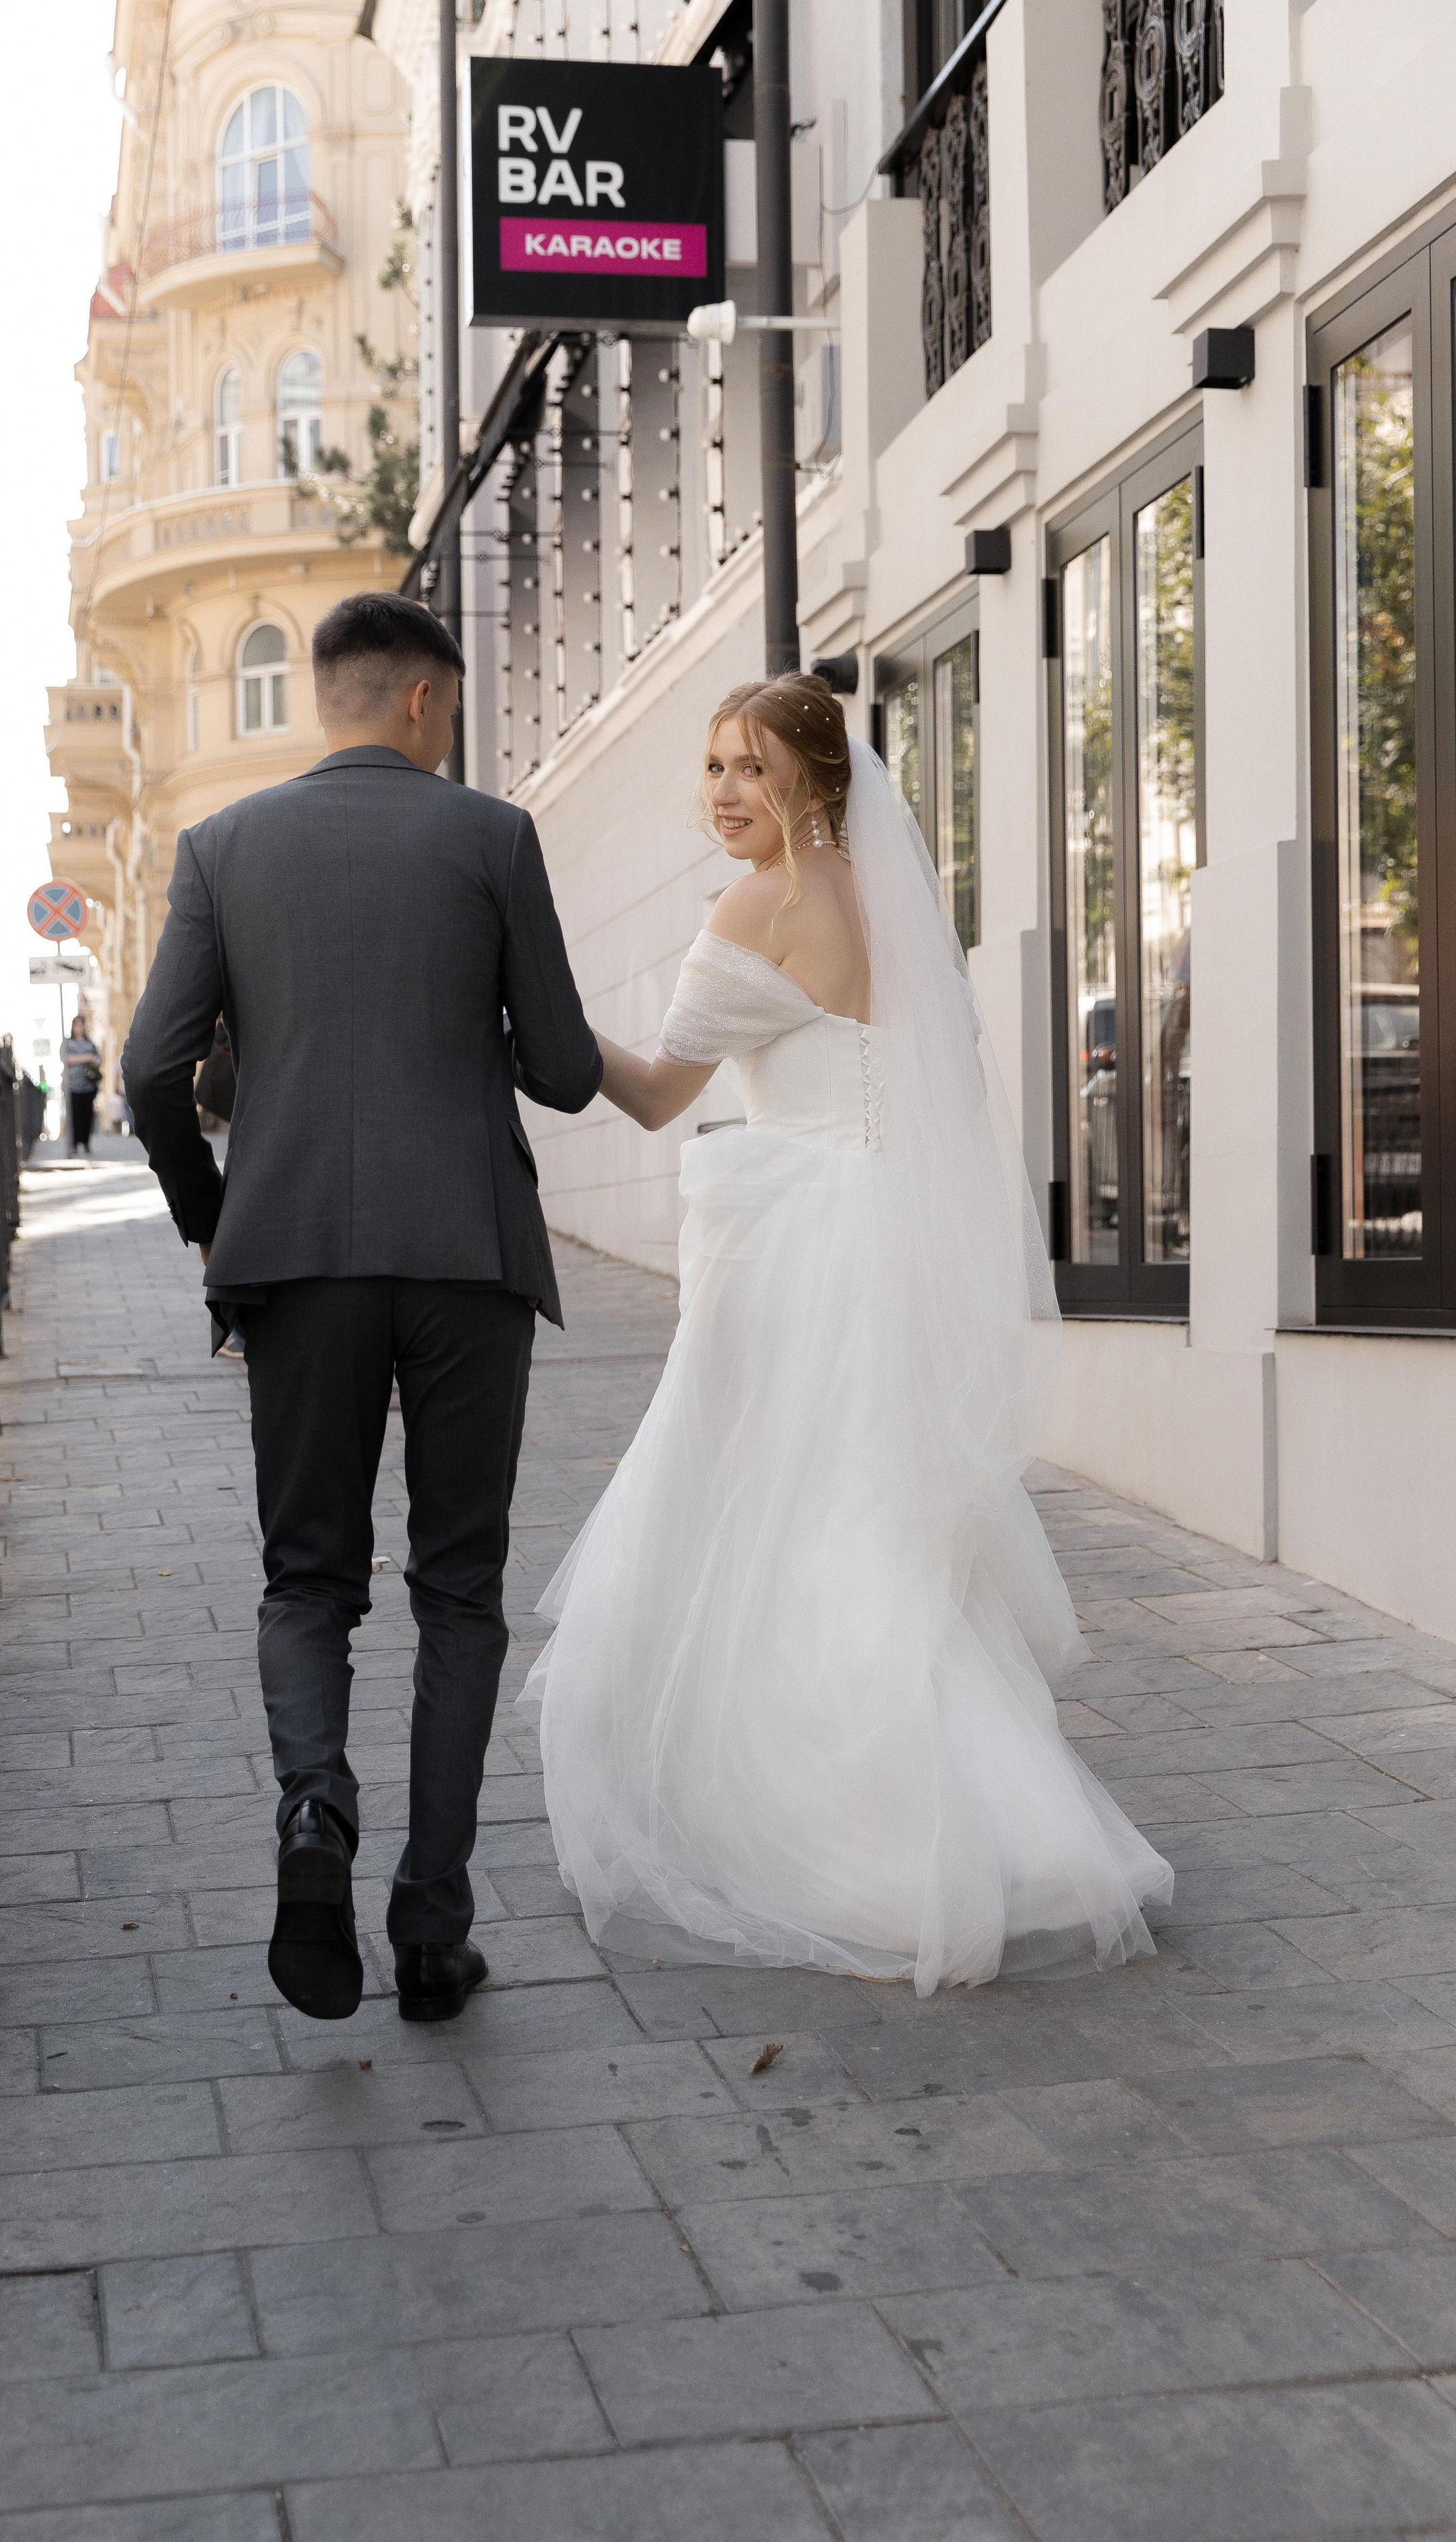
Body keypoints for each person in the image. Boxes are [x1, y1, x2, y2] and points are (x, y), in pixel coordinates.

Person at [521, 675, 1173, 1993]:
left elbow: (653, 1097)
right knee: (877, 1525)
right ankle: (978, 1819)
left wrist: (523, 1023)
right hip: (888, 1239)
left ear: (813, 780)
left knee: (770, 1519)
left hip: (791, 1250)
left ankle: (852, 1828)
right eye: (707, 767)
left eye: (747, 770)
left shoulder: (753, 906)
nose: (719, 793)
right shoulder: (889, 901)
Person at [123, 592, 602, 2026]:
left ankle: (314, 1819)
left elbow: (153, 1067)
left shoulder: (220, 847)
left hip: (296, 1266)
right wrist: (482, 1027)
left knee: (305, 1580)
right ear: (416, 702)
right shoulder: (490, 838)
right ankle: (430, 1930)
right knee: (457, 1591)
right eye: (446, 708)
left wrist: (217, 1220)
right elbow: (569, 1071)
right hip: (467, 1255)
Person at [60, 1013, 101, 1156]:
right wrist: (87, 1058)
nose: (79, 1028)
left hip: (88, 1086)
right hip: (72, 1086)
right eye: (76, 1025)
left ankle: (86, 1142)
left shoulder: (90, 1044)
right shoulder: (68, 1043)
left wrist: (94, 1060)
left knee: (87, 1116)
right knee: (74, 1116)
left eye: (81, 1025)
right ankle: (74, 1144)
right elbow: (67, 1059)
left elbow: (98, 1059)